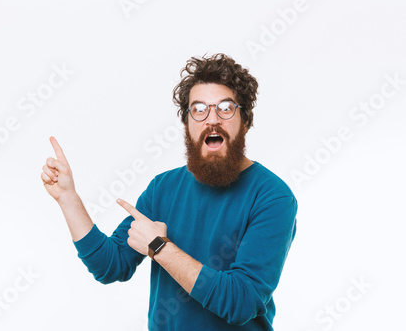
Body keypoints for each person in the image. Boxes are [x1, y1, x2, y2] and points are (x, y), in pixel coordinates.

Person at [41, 53, 297, 330]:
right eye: (198, 109)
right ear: (187, 123)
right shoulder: (163, 188)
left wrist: (159, 247)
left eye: (225, 108)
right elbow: (111, 266)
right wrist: (68, 199)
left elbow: (241, 301)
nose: (212, 120)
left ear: (244, 121)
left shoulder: (273, 197)